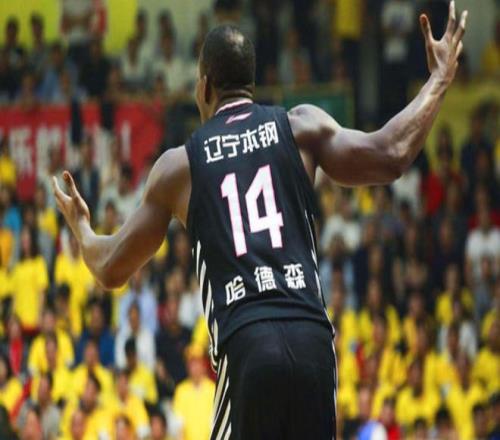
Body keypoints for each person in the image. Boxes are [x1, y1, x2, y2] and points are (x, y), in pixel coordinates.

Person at [53, 6, 468, 438]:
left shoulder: (181, 166)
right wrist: (438, 79)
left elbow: (110, 268)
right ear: (250, 83)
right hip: (312, 340)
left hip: (249, 341)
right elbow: (391, 153)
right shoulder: (300, 127)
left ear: (205, 86)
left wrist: (82, 227)